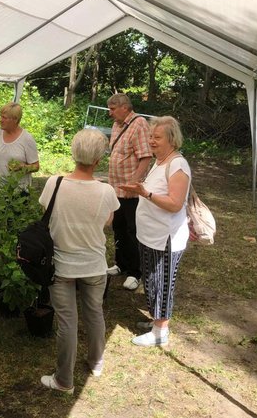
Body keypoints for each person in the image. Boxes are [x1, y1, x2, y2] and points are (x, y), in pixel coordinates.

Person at [40, 128, 119, 394]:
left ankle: (64, 380)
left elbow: (47, 214)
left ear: (74, 154)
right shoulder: (107, 191)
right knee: (95, 314)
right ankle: (96, 362)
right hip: (95, 265)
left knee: (67, 322)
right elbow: (108, 221)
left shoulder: (54, 183)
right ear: (99, 160)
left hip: (60, 265)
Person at [121, 116, 191, 346]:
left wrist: (146, 194)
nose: (151, 141)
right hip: (151, 236)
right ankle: (156, 321)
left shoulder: (177, 165)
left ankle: (161, 332)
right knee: (152, 279)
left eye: (157, 137)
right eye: (151, 136)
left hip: (166, 238)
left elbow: (175, 203)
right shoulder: (160, 161)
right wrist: (140, 189)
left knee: (162, 282)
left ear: (172, 140)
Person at [0, 102, 39, 276]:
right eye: (0, 115)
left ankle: (13, 264)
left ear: (15, 120)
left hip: (18, 193)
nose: (0, 119)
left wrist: (22, 167)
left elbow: (35, 166)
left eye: (4, 117)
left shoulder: (26, 138)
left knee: (15, 228)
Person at [106, 93, 152, 290]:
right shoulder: (117, 124)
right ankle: (121, 263)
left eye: (113, 109)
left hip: (130, 191)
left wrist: (134, 181)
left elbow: (145, 156)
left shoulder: (139, 123)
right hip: (115, 188)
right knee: (118, 227)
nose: (110, 113)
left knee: (133, 230)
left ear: (124, 107)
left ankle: (135, 272)